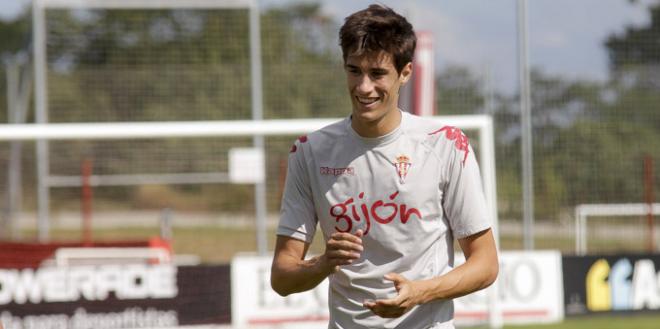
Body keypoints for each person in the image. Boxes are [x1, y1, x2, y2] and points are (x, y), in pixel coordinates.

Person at [271, 4, 498, 329]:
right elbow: (282, 277)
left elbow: (486, 264)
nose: (364, 87)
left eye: (377, 74)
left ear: (405, 72)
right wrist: (323, 263)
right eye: (354, 71)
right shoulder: (310, 152)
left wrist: (420, 292)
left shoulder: (445, 145)